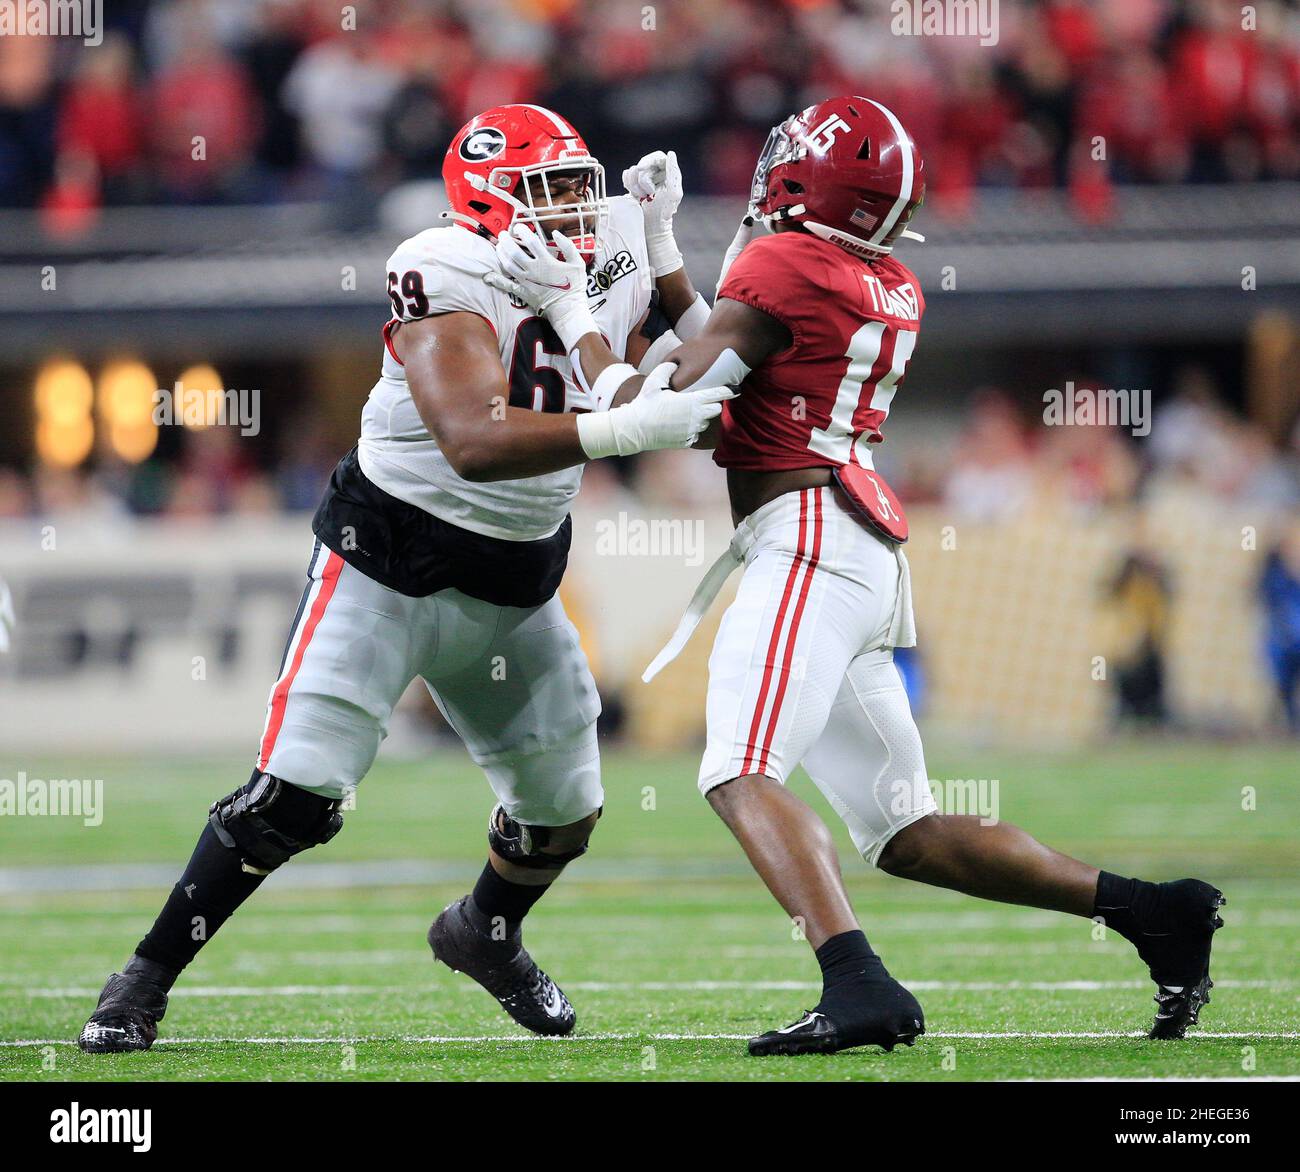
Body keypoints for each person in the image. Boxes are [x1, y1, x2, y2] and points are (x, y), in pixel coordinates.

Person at [495, 95, 1226, 1056]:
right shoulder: (877, 278)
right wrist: (664, 250)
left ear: (809, 179)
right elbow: (735, 354)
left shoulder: (785, 261)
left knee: (736, 772)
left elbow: (660, 404)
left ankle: (859, 984)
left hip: (806, 543)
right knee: (908, 830)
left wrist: (567, 309)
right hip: (855, 547)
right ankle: (1151, 911)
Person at [77, 103, 727, 1052]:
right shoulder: (446, 262)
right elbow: (470, 439)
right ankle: (143, 975)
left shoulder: (612, 239)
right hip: (389, 559)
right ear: (487, 204)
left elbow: (683, 351)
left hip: (514, 580)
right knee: (291, 802)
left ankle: (486, 933)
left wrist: (666, 256)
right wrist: (628, 426)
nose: (576, 211)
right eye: (546, 193)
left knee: (563, 811)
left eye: (579, 186)